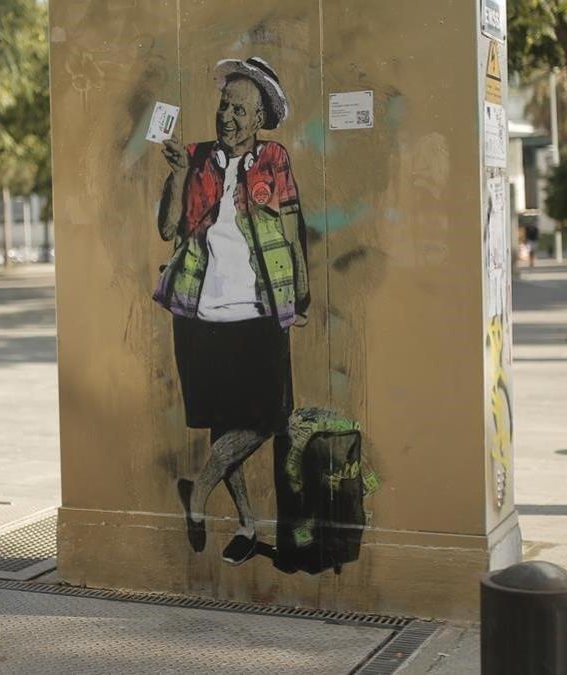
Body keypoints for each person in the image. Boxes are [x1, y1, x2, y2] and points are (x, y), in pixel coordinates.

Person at [154, 57, 310, 566]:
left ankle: (197, 493)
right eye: (225, 105)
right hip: (201, 312)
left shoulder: (274, 159)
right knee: (224, 424)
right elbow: (166, 228)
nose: (228, 117)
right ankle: (246, 523)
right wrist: (178, 176)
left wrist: (298, 297)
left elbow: (291, 228)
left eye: (241, 110)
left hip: (259, 310)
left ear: (260, 118)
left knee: (268, 417)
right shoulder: (195, 157)